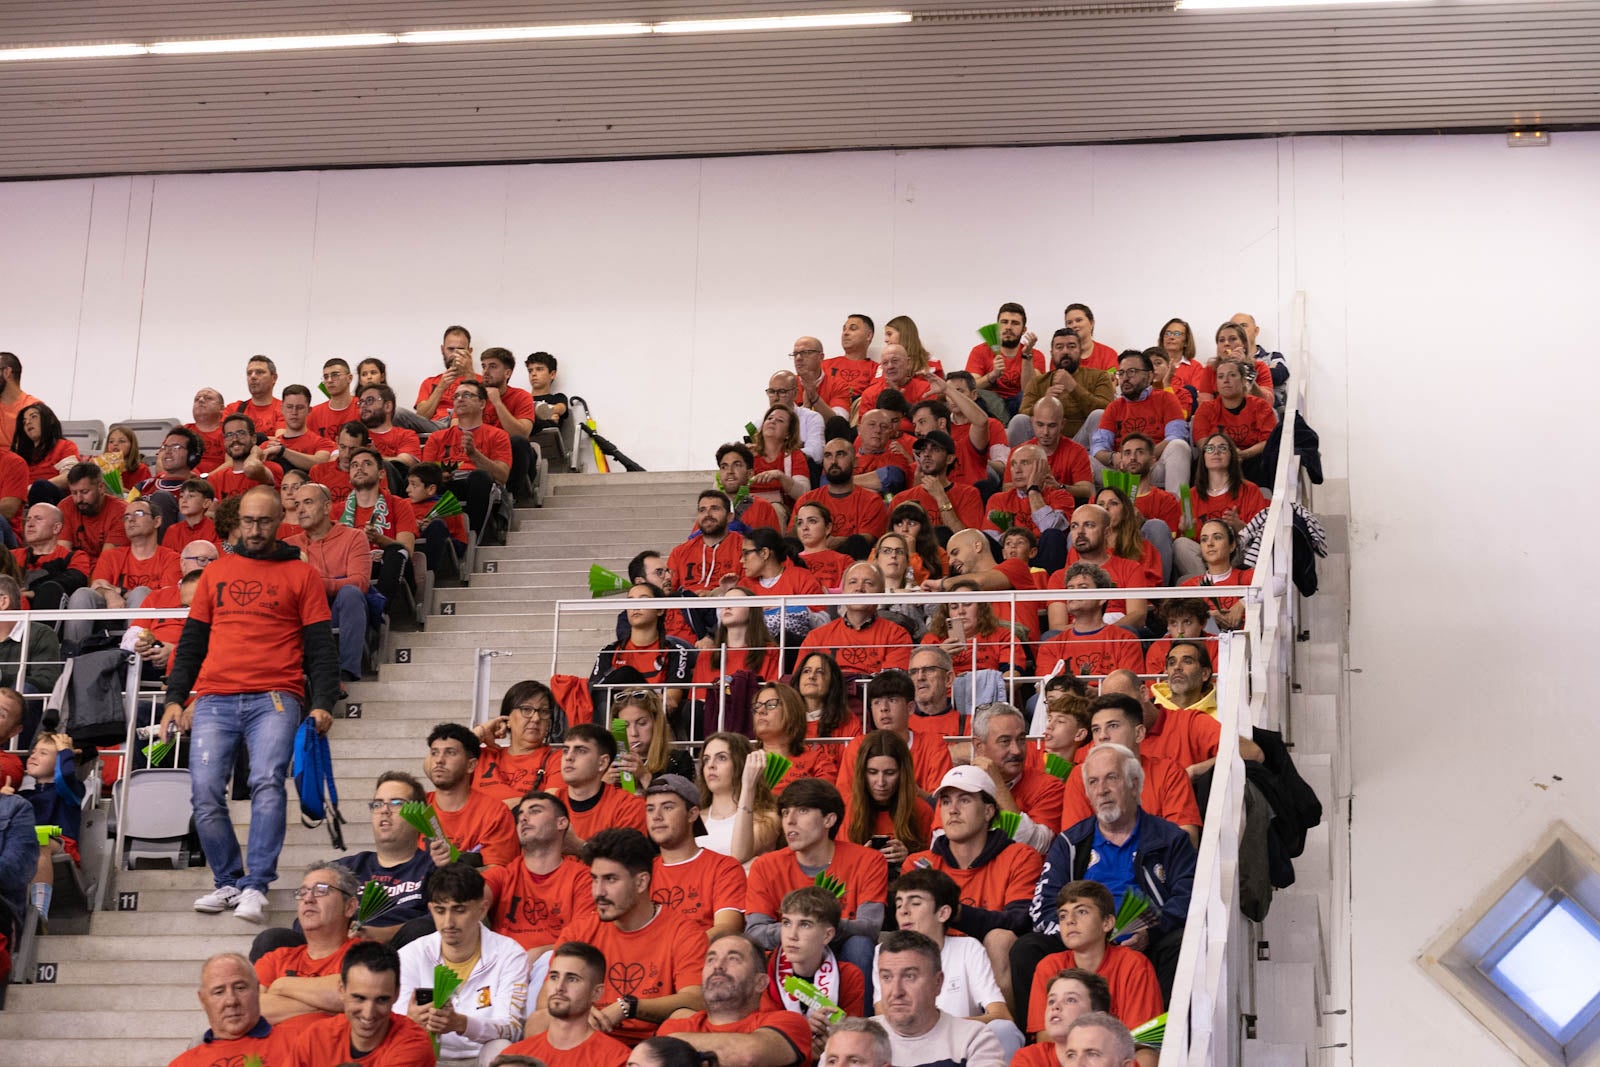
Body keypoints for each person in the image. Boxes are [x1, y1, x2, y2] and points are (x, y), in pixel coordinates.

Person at [161, 485, 337, 923]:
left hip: (275, 696)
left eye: (264, 521)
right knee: (203, 791)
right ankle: (227, 881)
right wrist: (174, 698)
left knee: (266, 781)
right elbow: (192, 643)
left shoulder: (303, 575)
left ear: (280, 521)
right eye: (248, 521)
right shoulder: (216, 573)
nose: (255, 530)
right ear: (237, 523)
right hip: (216, 697)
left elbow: (320, 646)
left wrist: (324, 701)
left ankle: (257, 883)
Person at [1020, 744, 1197, 1003]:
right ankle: (1042, 1038)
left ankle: (1166, 1040)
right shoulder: (1070, 843)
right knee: (1026, 949)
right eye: (1093, 782)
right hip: (1080, 945)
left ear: (1135, 784)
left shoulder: (1171, 839)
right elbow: (1043, 908)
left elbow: (1188, 897)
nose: (1101, 790)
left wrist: (1152, 932)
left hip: (1149, 942)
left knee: (1181, 945)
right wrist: (1079, 937)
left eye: (1111, 778)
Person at [556, 828, 709, 1047]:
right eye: (594, 879)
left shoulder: (684, 932)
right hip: (589, 1041)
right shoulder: (579, 931)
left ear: (641, 882)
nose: (598, 892)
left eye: (610, 879)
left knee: (683, 1019)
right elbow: (545, 998)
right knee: (541, 1019)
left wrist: (628, 1007)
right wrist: (578, 1010)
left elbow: (695, 999)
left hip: (654, 1049)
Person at [904, 764, 1041, 997]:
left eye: (964, 800)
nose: (953, 810)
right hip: (935, 960)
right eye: (946, 801)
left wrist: (955, 913)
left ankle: (1003, 1026)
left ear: (988, 811)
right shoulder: (919, 864)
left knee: (1000, 939)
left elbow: (1019, 920)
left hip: (988, 965)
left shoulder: (1020, 856)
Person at [745, 777, 886, 1002]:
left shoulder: (868, 860)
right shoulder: (766, 866)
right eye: (784, 812)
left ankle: (859, 1029)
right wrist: (805, 932)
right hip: (788, 956)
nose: (789, 821)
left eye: (802, 811)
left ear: (829, 819)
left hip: (843, 953)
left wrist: (816, 929)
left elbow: (869, 927)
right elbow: (755, 932)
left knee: (860, 944)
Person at [879, 868, 1023, 1057]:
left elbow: (1001, 1016)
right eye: (898, 905)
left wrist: (942, 1029)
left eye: (915, 903)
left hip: (959, 1046)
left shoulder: (968, 948)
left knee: (1003, 1030)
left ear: (943, 913)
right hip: (905, 1047)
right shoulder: (884, 952)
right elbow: (887, 1019)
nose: (904, 911)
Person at [398, 862, 528, 1065]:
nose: (448, 922)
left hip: (483, 1056)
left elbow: (511, 1028)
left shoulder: (510, 954)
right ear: (431, 909)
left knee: (502, 1047)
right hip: (426, 1056)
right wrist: (408, 1020)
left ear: (482, 909)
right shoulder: (410, 955)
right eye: (440, 911)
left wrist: (461, 1024)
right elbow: (389, 1021)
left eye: (459, 910)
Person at [1060, 694, 1202, 846]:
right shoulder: (1081, 776)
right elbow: (1075, 844)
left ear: (1139, 733)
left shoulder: (1169, 772)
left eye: (1113, 726)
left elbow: (1187, 841)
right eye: (1096, 729)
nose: (1102, 736)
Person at [656, 933, 812, 1065]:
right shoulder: (675, 1027)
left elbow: (748, 1054)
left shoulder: (790, 1022)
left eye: (733, 959)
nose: (718, 966)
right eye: (711, 959)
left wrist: (673, 1043)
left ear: (760, 982)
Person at [286, 941, 436, 1067]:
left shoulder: (413, 1046)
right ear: (341, 990)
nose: (368, 1013)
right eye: (359, 998)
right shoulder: (316, 1037)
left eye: (381, 1000)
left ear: (396, 994)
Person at [255, 861, 361, 1036]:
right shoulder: (276, 959)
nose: (308, 898)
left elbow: (356, 998)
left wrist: (281, 985)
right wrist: (329, 1006)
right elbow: (251, 1010)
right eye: (303, 892)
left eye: (321, 890)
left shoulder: (367, 954)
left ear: (349, 906)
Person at [871, 929, 1005, 1066]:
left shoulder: (974, 1039)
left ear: (938, 982)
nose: (896, 991)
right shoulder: (856, 1039)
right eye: (886, 977)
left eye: (909, 976)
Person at [483, 789, 593, 956]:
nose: (523, 818)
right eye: (520, 814)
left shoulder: (583, 878)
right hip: (503, 967)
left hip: (557, 967)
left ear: (561, 823)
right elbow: (466, 901)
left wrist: (539, 953)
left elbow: (583, 940)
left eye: (535, 811)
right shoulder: (503, 875)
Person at [284, 482, 374, 683]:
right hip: (303, 615)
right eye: (297, 504)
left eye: (308, 502)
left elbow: (360, 583)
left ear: (326, 507)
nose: (300, 509)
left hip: (337, 611)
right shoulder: (288, 545)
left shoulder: (354, 537)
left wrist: (316, 583)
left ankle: (345, 673)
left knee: (350, 593)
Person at [63, 495, 181, 645]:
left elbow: (166, 597)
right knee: (82, 594)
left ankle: (135, 654)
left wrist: (120, 592)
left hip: (152, 624)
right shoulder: (111, 556)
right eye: (126, 516)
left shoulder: (171, 558)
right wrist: (109, 593)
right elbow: (97, 585)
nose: (131, 519)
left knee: (141, 593)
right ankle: (72, 654)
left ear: (157, 521)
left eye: (138, 514)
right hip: (110, 613)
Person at [644, 774, 747, 938]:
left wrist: (679, 952)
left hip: (703, 959)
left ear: (692, 814)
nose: (656, 816)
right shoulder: (642, 873)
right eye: (650, 809)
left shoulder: (724, 867)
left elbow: (728, 927)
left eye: (668, 807)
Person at [497, 941, 630, 1066]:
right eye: (554, 977)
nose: (559, 987)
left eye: (572, 979)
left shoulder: (617, 1058)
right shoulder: (514, 1056)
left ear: (596, 993)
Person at [835, 669, 953, 799]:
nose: (883, 708)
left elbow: (938, 801)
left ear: (910, 708)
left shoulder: (933, 745)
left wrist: (910, 792)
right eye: (876, 702)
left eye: (892, 700)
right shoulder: (857, 746)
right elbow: (846, 797)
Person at [770, 885, 868, 1037]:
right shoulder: (763, 967)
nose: (792, 935)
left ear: (827, 935)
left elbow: (851, 1038)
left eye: (805, 924)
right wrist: (803, 1033)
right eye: (786, 923)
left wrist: (828, 1043)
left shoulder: (849, 976)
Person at [169, 952, 297, 1067]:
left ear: (257, 990)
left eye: (240, 988)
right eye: (219, 992)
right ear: (203, 1000)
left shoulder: (297, 1043)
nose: (231, 1001)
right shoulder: (183, 1064)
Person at [1091, 350, 1191, 496]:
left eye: (1132, 372)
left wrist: (1142, 457)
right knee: (1085, 460)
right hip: (1122, 469)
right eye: (1122, 373)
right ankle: (1095, 514)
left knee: (1179, 446)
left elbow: (1176, 436)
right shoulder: (1114, 407)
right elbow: (1098, 448)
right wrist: (1114, 458)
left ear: (1149, 375)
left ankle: (1176, 511)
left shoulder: (1166, 399)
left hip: (1153, 467)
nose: (1125, 378)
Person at [421, 722, 520, 867]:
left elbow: (498, 874)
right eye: (434, 753)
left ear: (471, 765)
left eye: (450, 752)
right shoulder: (418, 806)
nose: (439, 760)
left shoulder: (495, 813)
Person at [967, 701, 1063, 850]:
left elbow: (1038, 845)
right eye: (1005, 741)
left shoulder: (1050, 787)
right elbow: (942, 840)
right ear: (979, 746)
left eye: (1021, 739)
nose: (1016, 750)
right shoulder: (961, 785)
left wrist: (997, 786)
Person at [590, 585, 694, 722]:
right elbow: (594, 693)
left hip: (654, 721)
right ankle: (614, 740)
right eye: (630, 601)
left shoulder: (675, 651)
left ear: (660, 609)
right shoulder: (609, 652)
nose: (635, 606)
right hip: (618, 722)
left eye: (643, 600)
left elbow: (671, 702)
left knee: (625, 674)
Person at [421, 380, 512, 537]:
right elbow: (423, 474)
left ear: (482, 403)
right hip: (445, 485)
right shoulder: (437, 437)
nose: (460, 399)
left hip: (477, 484)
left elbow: (503, 476)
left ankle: (472, 536)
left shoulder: (498, 435)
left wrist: (475, 455)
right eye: (456, 396)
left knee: (480, 476)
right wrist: (438, 476)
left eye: (467, 395)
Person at [1045, 508, 1152, 635]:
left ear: (1107, 532)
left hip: (1118, 636)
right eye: (1074, 526)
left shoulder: (1130, 568)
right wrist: (1089, 632)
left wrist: (1102, 632)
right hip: (1076, 638)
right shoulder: (1058, 577)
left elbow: (1138, 615)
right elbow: (1057, 626)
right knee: (1049, 636)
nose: (1080, 532)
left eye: (1089, 525)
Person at [841, 729, 932, 877]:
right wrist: (861, 858)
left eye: (890, 773)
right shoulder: (846, 810)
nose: (881, 782)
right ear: (862, 773)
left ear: (902, 773)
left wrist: (909, 858)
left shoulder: (922, 810)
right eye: (872, 772)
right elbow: (837, 869)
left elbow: (933, 870)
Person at [340, 446, 418, 612]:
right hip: (353, 568)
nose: (359, 468)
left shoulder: (399, 505)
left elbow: (407, 550)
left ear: (381, 473)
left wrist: (378, 539)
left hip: (388, 565)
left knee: (397, 552)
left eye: (367, 463)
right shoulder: (336, 511)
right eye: (354, 465)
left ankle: (378, 611)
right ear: (349, 476)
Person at [798, 561, 912, 675]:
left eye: (868, 583)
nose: (859, 588)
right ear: (843, 591)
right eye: (852, 582)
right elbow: (800, 683)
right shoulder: (816, 637)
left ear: (881, 593)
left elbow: (892, 686)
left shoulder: (897, 635)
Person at [1037, 563, 1146, 680]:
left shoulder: (1125, 640)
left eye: (1083, 587)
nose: (1073, 593)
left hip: (1109, 697)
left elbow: (1129, 687)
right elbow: (1043, 688)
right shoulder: (1050, 645)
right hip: (1065, 697)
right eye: (1070, 588)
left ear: (1102, 597)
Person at [981, 444, 1075, 575]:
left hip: (1045, 560)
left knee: (1052, 535)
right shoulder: (998, 499)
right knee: (980, 539)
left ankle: (1049, 589)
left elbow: (1052, 529)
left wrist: (1033, 490)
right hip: (1009, 560)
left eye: (1025, 463)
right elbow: (991, 540)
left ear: (1044, 469)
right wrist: (1019, 544)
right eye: (1013, 464)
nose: (1017, 470)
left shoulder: (1061, 496)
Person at [1015, 327, 1115, 443]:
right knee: (1019, 420)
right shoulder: (1038, 382)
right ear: (1052, 353)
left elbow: (1107, 412)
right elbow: (1023, 412)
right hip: (1044, 444)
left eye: (1071, 347)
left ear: (1080, 351)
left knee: (1099, 414)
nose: (1065, 351)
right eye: (1059, 347)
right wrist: (1044, 402)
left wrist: (1074, 388)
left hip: (1082, 443)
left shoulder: (1099, 376)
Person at [472, 680, 566, 802]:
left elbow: (548, 807)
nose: (536, 718)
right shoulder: (482, 756)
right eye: (526, 709)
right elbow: (444, 762)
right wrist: (480, 732)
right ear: (507, 718)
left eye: (543, 711)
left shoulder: (558, 759)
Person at [555, 722, 649, 843]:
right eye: (565, 750)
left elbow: (626, 860)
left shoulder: (629, 807)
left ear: (603, 762)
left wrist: (580, 848)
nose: (569, 757)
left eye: (581, 750)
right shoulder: (552, 804)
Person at [691, 588, 783, 711]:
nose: (727, 607)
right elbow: (698, 701)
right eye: (725, 602)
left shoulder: (770, 651)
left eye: (735, 601)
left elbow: (772, 697)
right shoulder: (707, 654)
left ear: (751, 611)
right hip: (712, 719)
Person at [792, 440, 889, 557]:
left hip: (852, 565)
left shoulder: (871, 501)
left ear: (855, 462)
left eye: (840, 454)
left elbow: (866, 541)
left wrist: (840, 541)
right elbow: (792, 536)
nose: (833, 461)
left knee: (856, 543)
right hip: (808, 563)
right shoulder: (806, 500)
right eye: (828, 456)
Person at [695, 731, 779, 863]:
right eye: (706, 759)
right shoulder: (694, 818)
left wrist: (748, 786)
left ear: (741, 765)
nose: (710, 765)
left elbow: (738, 856)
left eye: (721, 758)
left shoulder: (767, 819)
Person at [1191, 358, 1276, 482]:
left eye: (1232, 375)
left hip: (1252, 459)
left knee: (1266, 460)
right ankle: (1192, 500)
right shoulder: (1206, 409)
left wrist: (1244, 454)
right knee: (1200, 462)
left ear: (1243, 381)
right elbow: (1202, 442)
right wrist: (1226, 454)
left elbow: (1268, 441)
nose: (1225, 380)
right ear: (1216, 384)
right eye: (1220, 377)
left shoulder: (1261, 406)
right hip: (1218, 458)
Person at [888, 430, 982, 536]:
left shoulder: (969, 494)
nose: (927, 454)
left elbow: (967, 541)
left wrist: (941, 497)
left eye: (935, 449)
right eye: (923, 450)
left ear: (949, 459)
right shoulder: (901, 499)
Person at [478, 346, 538, 502]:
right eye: (483, 366)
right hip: (483, 454)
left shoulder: (521, 396)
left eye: (493, 366)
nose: (485, 371)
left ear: (507, 373)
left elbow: (522, 434)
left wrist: (497, 403)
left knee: (518, 442)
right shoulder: (474, 396)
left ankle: (510, 499)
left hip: (514, 456)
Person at [607, 688, 696, 792]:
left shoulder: (679, 760)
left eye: (642, 723)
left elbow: (682, 803)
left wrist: (644, 776)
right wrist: (602, 785)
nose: (633, 733)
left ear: (656, 723)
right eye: (625, 726)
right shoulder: (606, 763)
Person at [752, 682, 838, 791]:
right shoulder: (742, 761)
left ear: (792, 710)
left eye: (771, 704)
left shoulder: (818, 761)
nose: (761, 711)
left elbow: (824, 800)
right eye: (757, 706)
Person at [965, 302, 1043, 416]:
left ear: (1024, 329)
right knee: (977, 395)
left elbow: (1030, 391)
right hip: (990, 407)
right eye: (1004, 322)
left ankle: (1005, 425)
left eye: (1015, 323)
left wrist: (1027, 356)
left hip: (1019, 407)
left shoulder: (1035, 355)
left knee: (1027, 397)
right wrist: (993, 375)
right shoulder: (980, 351)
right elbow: (971, 388)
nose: (1008, 327)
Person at [1180, 519, 1254, 631]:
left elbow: (1278, 583)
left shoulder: (1246, 576)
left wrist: (1243, 603)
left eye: (1217, 537)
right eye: (1204, 540)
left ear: (1232, 545)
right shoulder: (1189, 586)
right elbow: (1177, 621)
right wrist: (1206, 617)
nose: (1209, 544)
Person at [14, 502, 89, 610]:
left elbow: (74, 580)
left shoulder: (74, 557)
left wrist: (35, 592)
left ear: (56, 528)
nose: (30, 524)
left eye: (38, 519)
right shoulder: (12, 556)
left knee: (51, 589)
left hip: (48, 614)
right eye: (28, 519)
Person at [1190, 432, 1269, 533]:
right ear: (1203, 457)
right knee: (1182, 543)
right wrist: (1185, 531)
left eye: (1222, 448)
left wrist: (1240, 527)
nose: (1216, 452)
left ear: (1232, 456)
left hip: (1239, 546)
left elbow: (1262, 534)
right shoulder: (1191, 496)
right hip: (1201, 547)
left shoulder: (1250, 490)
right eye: (1210, 449)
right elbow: (1189, 537)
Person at [1020, 397, 1094, 503]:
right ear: (1032, 422)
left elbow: (1087, 490)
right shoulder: (1019, 452)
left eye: (1052, 426)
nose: (1045, 432)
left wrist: (1059, 487)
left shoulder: (1077, 452)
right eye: (1040, 425)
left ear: (1062, 424)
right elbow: (1007, 488)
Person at [669, 490, 746, 593]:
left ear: (729, 517)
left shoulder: (744, 547)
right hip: (688, 606)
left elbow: (749, 589)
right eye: (702, 510)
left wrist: (714, 595)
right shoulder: (679, 552)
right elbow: (669, 591)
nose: (708, 514)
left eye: (715, 509)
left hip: (727, 606)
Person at [57, 461, 128, 572]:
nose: (79, 499)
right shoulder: (66, 506)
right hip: (74, 572)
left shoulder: (121, 511)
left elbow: (107, 563)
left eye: (84, 492)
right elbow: (62, 556)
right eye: (74, 493)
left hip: (106, 575)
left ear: (101, 487)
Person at [0, 576, 63, 694]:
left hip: (17, 708)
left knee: (26, 689)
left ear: (3, 602)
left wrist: (3, 678)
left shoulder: (41, 634)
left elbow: (47, 681)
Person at [748, 404, 811, 515]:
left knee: (774, 509)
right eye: (769, 418)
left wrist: (780, 476)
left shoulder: (795, 456)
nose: (772, 421)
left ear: (788, 434)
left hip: (779, 510)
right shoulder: (748, 455)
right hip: (748, 505)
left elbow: (804, 494)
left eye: (780, 420)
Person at [415, 324, 481, 426]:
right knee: (399, 414)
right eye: (451, 349)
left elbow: (483, 413)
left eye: (460, 350)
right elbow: (421, 417)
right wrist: (441, 387)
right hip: (436, 426)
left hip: (465, 424)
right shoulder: (430, 382)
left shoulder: (482, 381)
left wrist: (469, 373)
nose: (455, 354)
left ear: (470, 351)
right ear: (442, 349)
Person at [14, 402, 80, 505]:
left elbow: (70, 477)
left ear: (50, 420)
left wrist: (31, 489)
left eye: (33, 417)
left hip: (54, 502)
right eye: (24, 421)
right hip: (22, 501)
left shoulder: (64, 446)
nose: (27, 423)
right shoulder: (21, 454)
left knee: (40, 486)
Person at [263, 383, 334, 474]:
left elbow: (320, 463)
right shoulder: (269, 445)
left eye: (299, 407)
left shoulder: (322, 443)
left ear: (309, 411)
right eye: (289, 407)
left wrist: (282, 451)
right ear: (282, 409)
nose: (294, 412)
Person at [358, 383, 425, 479]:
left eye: (369, 400)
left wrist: (374, 456)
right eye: (361, 402)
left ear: (388, 406)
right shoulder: (357, 435)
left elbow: (405, 463)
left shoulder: (406, 435)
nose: (363, 405)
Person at [207, 413, 281, 500]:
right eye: (229, 435)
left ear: (253, 438)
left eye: (241, 433)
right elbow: (211, 512)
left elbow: (251, 469)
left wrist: (255, 452)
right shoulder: (216, 479)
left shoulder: (271, 469)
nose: (235, 439)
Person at [715, 442, 784, 533]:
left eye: (737, 465)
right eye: (724, 467)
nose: (729, 471)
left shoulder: (763, 508)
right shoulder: (711, 508)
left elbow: (773, 545)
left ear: (750, 474)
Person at [793, 651, 861, 741]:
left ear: (832, 682)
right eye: (806, 671)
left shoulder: (848, 722)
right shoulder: (783, 719)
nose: (811, 676)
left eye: (820, 672)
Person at [764, 371, 824, 465]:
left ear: (795, 394)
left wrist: (782, 458)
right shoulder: (761, 424)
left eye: (782, 392)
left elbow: (816, 453)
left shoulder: (812, 418)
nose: (775, 398)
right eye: (771, 392)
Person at [820, 314, 879, 410]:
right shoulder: (824, 365)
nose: (845, 333)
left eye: (853, 328)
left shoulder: (877, 369)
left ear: (868, 335)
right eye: (844, 329)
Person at [793, 501, 855, 590]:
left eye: (812, 521)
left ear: (828, 528)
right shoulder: (789, 562)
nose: (804, 527)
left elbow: (849, 592)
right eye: (800, 523)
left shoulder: (845, 561)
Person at [309, 421, 368, 508]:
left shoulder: (372, 474)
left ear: (365, 448)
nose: (346, 454)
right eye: (343, 447)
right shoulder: (318, 471)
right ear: (336, 441)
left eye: (353, 449)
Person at [229, 354, 285, 437]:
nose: (253, 376)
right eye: (249, 373)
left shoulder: (286, 409)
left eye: (259, 372)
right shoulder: (233, 409)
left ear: (274, 378)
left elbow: (280, 442)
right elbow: (228, 440)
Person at [160, 477, 218, 553]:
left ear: (206, 503)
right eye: (181, 496)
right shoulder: (173, 530)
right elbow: (166, 559)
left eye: (191, 496)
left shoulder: (216, 530)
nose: (184, 500)